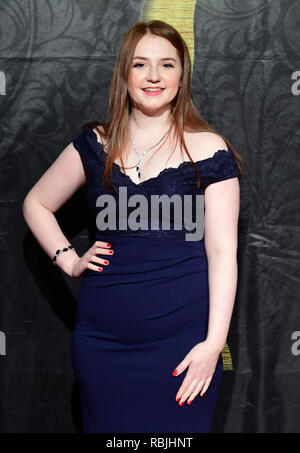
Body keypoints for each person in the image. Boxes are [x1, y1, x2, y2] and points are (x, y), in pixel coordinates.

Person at [22, 20, 243, 433]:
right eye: (141, 64)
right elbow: (36, 202)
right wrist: (68, 260)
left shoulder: (210, 149)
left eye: (167, 65)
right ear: (125, 74)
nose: (154, 76)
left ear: (183, 75)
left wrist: (213, 345)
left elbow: (222, 254)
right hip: (102, 345)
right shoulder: (94, 144)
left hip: (182, 348)